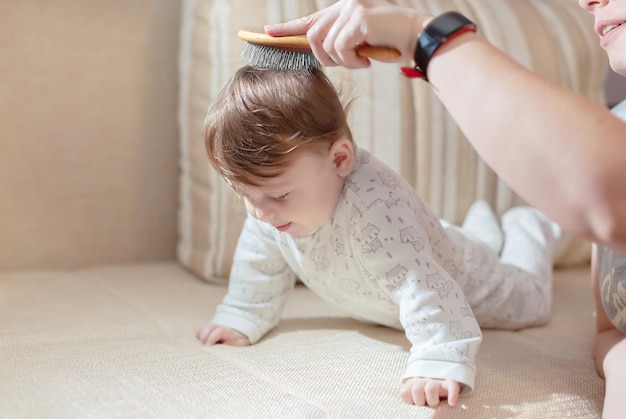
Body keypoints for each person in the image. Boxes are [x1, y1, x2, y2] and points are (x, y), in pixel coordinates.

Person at [263, 0, 626, 416]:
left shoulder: (373, 198)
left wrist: (425, 37)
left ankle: (523, 226)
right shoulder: (617, 120)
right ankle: (486, 225)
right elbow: (611, 324)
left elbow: (608, 199)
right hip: (460, 248)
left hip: (489, 274)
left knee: (520, 283)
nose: (586, 1)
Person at [196, 64, 563, 407]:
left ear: (340, 160)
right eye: (245, 194)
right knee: (455, 241)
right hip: (425, 247)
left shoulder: (375, 208)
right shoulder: (271, 207)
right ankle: (479, 226)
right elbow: (259, 262)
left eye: (278, 195)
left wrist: (438, 359)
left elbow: (422, 283)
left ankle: (528, 225)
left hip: (465, 277)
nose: (260, 212)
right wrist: (242, 314)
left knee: (531, 303)